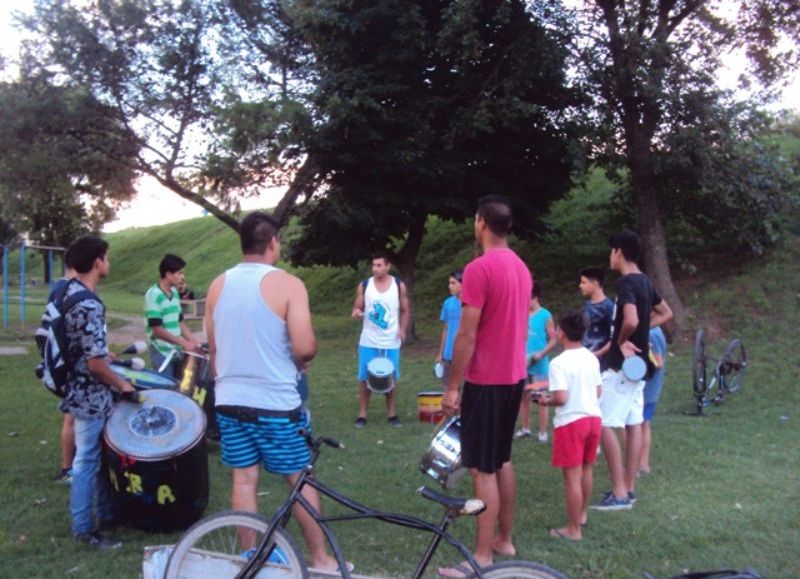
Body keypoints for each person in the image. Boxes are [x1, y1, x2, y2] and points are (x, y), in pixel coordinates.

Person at [204, 211, 340, 572]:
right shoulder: (289, 284)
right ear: (273, 243)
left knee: (244, 479)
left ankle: (250, 558)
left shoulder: (217, 285)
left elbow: (214, 349)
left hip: (229, 400)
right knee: (299, 478)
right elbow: (305, 346)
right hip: (275, 404)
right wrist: (300, 358)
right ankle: (321, 560)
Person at [440, 195, 532, 575]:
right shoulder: (522, 268)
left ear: (480, 222)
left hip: (487, 381)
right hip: (513, 379)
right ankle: (503, 539)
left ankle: (481, 557)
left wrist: (452, 386)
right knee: (501, 459)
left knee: (482, 470)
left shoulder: (478, 269)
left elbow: (467, 335)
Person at [58, 236, 138, 549]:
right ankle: (84, 529)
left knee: (97, 457)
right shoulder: (88, 303)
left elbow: (86, 349)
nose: (109, 262)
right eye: (106, 257)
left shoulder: (70, 292)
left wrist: (104, 356)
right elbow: (94, 365)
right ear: (97, 262)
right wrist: (122, 384)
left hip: (80, 389)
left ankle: (106, 513)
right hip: (89, 394)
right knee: (86, 461)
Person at [591, 231, 672, 511]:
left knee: (601, 421)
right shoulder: (646, 281)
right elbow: (666, 313)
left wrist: (625, 340)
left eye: (611, 251)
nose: (610, 256)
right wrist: (641, 335)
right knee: (633, 422)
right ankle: (629, 489)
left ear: (619, 252)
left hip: (623, 366)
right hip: (640, 367)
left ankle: (620, 492)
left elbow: (632, 318)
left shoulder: (626, 282)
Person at [537, 311, 602, 541]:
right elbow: (598, 391)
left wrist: (546, 400)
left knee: (572, 477)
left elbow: (561, 398)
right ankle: (582, 515)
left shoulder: (558, 363)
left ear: (561, 333)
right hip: (594, 419)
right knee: (587, 469)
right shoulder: (591, 357)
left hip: (571, 423)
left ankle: (573, 530)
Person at [351, 252, 410, 427]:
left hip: (390, 342)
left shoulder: (399, 286)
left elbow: (405, 310)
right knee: (364, 378)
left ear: (387, 266)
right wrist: (356, 312)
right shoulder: (365, 285)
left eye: (379, 265)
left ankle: (392, 415)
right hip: (368, 341)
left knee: (390, 378)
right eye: (373, 265)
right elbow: (357, 306)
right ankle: (362, 415)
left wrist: (403, 329)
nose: (375, 268)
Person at [144, 254, 201, 378]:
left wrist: (193, 341)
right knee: (166, 389)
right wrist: (183, 343)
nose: (182, 277)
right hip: (161, 352)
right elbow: (157, 329)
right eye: (179, 273)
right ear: (168, 274)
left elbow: (179, 322)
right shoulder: (154, 294)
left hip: (176, 351)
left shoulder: (174, 292)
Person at [515, 281, 557, 443]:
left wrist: (541, 353)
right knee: (523, 397)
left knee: (541, 398)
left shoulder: (545, 315)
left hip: (539, 364)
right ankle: (525, 428)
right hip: (522, 364)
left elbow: (553, 340)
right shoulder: (521, 314)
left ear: (535, 297)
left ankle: (542, 432)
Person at [638, 326, 667, 475]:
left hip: (648, 388)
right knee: (643, 424)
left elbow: (658, 362)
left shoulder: (651, 334)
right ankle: (641, 463)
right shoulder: (655, 330)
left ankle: (642, 464)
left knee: (642, 425)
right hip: (650, 388)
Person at [579, 267, 614, 372]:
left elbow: (615, 337)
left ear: (594, 283)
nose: (580, 286)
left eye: (583, 283)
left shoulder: (609, 307)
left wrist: (598, 354)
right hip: (584, 358)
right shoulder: (587, 305)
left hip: (601, 363)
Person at [436, 269, 463, 387]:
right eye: (449, 283)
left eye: (453, 283)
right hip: (449, 354)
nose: (450, 286)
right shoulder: (447, 303)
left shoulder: (472, 303)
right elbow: (446, 329)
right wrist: (441, 353)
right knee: (448, 389)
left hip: (466, 353)